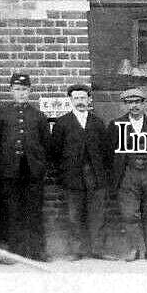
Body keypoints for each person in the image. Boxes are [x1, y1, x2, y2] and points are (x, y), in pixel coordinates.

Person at [50, 82, 115, 260]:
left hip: (95, 176)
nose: (80, 101)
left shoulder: (98, 123)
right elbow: (55, 152)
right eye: (76, 98)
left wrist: (104, 174)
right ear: (70, 100)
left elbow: (107, 151)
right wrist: (62, 174)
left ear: (89, 100)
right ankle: (77, 250)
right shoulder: (62, 123)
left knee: (98, 215)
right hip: (72, 177)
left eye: (83, 98)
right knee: (74, 215)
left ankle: (98, 249)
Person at [0, 72, 51, 261]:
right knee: (12, 210)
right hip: (10, 171)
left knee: (34, 211)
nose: (21, 93)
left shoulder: (38, 116)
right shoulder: (1, 115)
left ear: (30, 91)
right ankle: (14, 250)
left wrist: (40, 165)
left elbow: (46, 144)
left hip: (32, 171)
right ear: (11, 91)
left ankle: (37, 250)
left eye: (25, 89)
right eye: (17, 89)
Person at [111, 88, 147, 262]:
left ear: (143, 104)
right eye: (130, 102)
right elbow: (109, 151)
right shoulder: (116, 125)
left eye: (137, 102)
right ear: (126, 105)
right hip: (128, 174)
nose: (134, 106)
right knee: (129, 213)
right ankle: (134, 248)